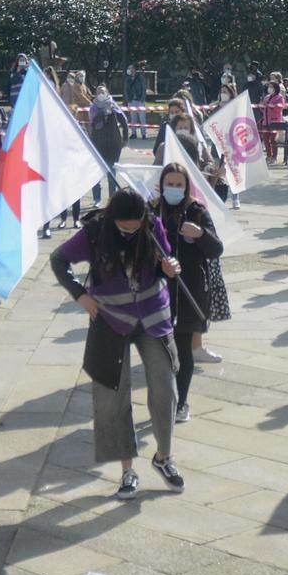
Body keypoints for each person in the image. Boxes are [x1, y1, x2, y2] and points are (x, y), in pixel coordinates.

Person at [48, 190, 185, 499]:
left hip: (153, 316)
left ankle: (164, 457)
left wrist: (169, 267)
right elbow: (58, 259)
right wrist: (80, 296)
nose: (130, 232)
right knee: (112, 396)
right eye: (124, 228)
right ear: (113, 220)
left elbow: (166, 257)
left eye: (135, 227)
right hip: (110, 320)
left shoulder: (151, 224)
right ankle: (127, 471)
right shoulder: (95, 232)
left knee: (165, 387)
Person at [153, 161, 222, 423]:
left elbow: (216, 249)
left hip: (189, 292)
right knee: (159, 356)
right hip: (157, 295)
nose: (173, 189)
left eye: (178, 185)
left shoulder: (196, 211)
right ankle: (163, 400)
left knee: (183, 351)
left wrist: (201, 233)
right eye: (169, 184)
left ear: (186, 187)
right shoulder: (152, 211)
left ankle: (180, 402)